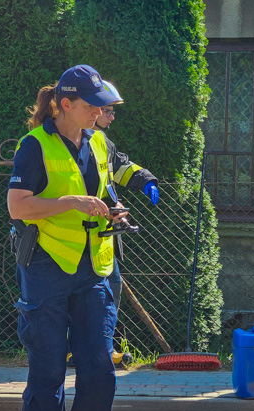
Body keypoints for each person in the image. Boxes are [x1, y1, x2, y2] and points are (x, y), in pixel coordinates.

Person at [8, 65, 124, 411]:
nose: (99, 110)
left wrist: (112, 208)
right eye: (92, 105)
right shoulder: (34, 145)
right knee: (48, 367)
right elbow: (18, 206)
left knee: (99, 366)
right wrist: (72, 201)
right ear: (65, 105)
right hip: (47, 268)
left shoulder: (98, 142)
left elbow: (104, 190)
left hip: (94, 267)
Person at [93, 80, 159, 358]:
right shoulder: (78, 140)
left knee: (110, 290)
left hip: (102, 232)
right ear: (93, 111)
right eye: (108, 111)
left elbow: (119, 167)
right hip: (84, 234)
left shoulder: (101, 141)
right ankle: (86, 350)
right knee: (91, 296)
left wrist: (146, 181)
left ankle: (103, 347)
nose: (112, 117)